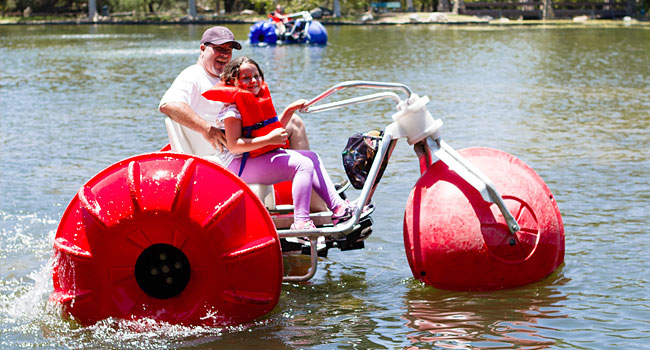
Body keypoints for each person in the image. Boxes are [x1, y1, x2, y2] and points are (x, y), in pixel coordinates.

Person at [202, 56, 354, 230]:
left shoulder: (257, 101)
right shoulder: (232, 111)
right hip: (238, 165)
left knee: (312, 157)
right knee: (302, 165)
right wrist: (269, 139)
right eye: (246, 78)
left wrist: (289, 110)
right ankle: (301, 222)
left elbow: (270, 130)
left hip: (251, 158)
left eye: (256, 76)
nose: (253, 81)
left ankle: (339, 208)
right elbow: (235, 145)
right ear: (233, 82)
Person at [159, 26, 310, 155]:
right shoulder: (193, 75)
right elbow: (168, 105)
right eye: (218, 49)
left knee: (292, 119)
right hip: (227, 151)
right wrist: (206, 129)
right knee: (294, 123)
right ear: (203, 49)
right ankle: (312, 187)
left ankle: (304, 183)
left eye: (228, 50)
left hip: (242, 142)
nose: (224, 55)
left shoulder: (224, 79)